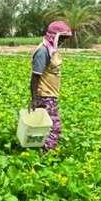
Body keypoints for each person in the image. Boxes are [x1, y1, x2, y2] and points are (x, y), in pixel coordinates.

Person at [30, 20, 72, 151]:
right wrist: (35, 99)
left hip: (51, 95)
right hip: (44, 96)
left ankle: (40, 151)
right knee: (53, 128)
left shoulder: (51, 49)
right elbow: (35, 77)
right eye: (62, 38)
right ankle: (47, 155)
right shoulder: (43, 51)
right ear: (54, 35)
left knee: (46, 126)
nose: (62, 41)